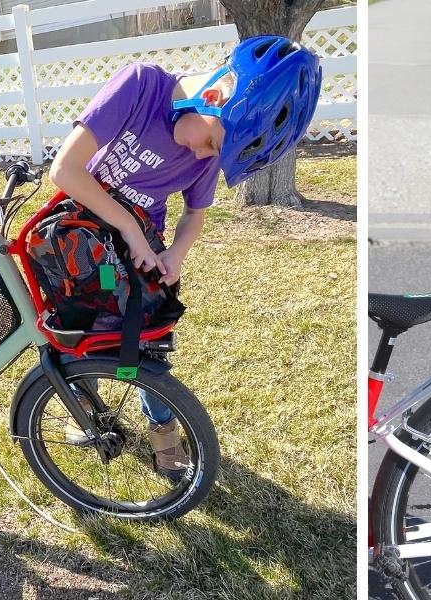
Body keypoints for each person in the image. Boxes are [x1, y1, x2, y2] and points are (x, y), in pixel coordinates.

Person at [48, 35, 322, 480]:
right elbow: (65, 170)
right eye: (211, 144)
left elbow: (195, 213)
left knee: (146, 334)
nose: (201, 157)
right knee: (79, 316)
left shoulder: (215, 140)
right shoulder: (140, 86)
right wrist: (130, 229)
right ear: (213, 96)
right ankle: (83, 401)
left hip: (138, 239)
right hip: (81, 229)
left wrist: (176, 252)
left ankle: (162, 427)